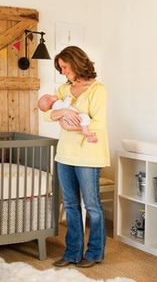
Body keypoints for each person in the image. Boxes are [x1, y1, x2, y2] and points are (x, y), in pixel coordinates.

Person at [39, 45, 110, 268]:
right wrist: (63, 113)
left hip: (89, 155)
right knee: (70, 205)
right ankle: (72, 253)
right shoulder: (64, 89)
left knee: (92, 206)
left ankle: (95, 252)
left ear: (76, 63)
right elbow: (48, 114)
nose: (63, 72)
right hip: (65, 155)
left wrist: (71, 125)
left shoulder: (98, 90)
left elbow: (98, 123)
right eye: (60, 68)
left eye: (64, 67)